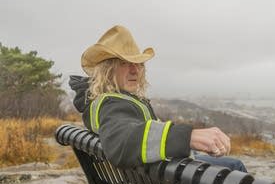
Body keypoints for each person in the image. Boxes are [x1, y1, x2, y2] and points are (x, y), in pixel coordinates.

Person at [69, 25, 246, 172]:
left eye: (138, 64)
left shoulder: (104, 101)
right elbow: (122, 141)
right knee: (235, 166)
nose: (135, 70)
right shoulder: (110, 104)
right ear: (107, 70)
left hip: (154, 176)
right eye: (124, 63)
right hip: (169, 181)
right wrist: (187, 137)